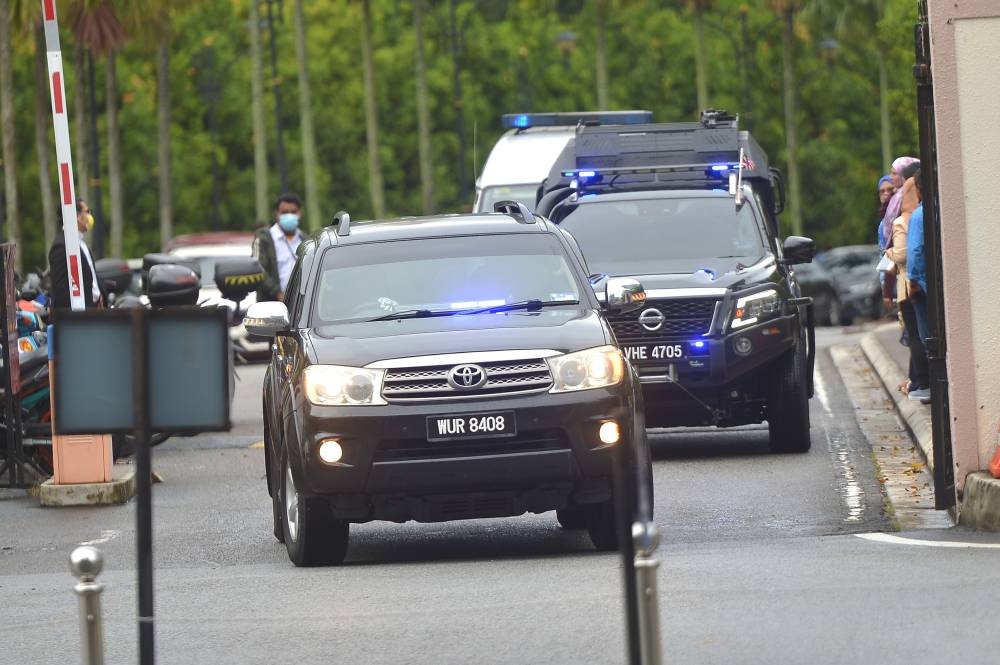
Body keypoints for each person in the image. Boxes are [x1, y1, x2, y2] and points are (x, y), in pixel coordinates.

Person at [883, 173, 929, 401]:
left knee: (919, 336)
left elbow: (912, 252)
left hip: (913, 285)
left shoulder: (911, 219)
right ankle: (922, 381)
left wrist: (914, 282)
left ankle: (924, 383)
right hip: (919, 283)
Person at [47, 198, 103, 311]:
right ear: (77, 216)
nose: (89, 216)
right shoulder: (61, 246)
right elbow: (62, 290)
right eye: (87, 212)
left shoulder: (81, 243)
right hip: (76, 318)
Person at [253, 192, 306, 302]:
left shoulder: (305, 240)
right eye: (285, 212)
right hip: (271, 306)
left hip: (301, 306)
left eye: (293, 212)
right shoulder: (264, 239)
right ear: (276, 214)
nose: (289, 216)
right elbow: (257, 268)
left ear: (300, 213)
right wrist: (277, 293)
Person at [906, 170, 931, 403]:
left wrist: (912, 282)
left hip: (923, 286)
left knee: (926, 339)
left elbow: (914, 251)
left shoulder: (919, 215)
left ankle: (931, 387)